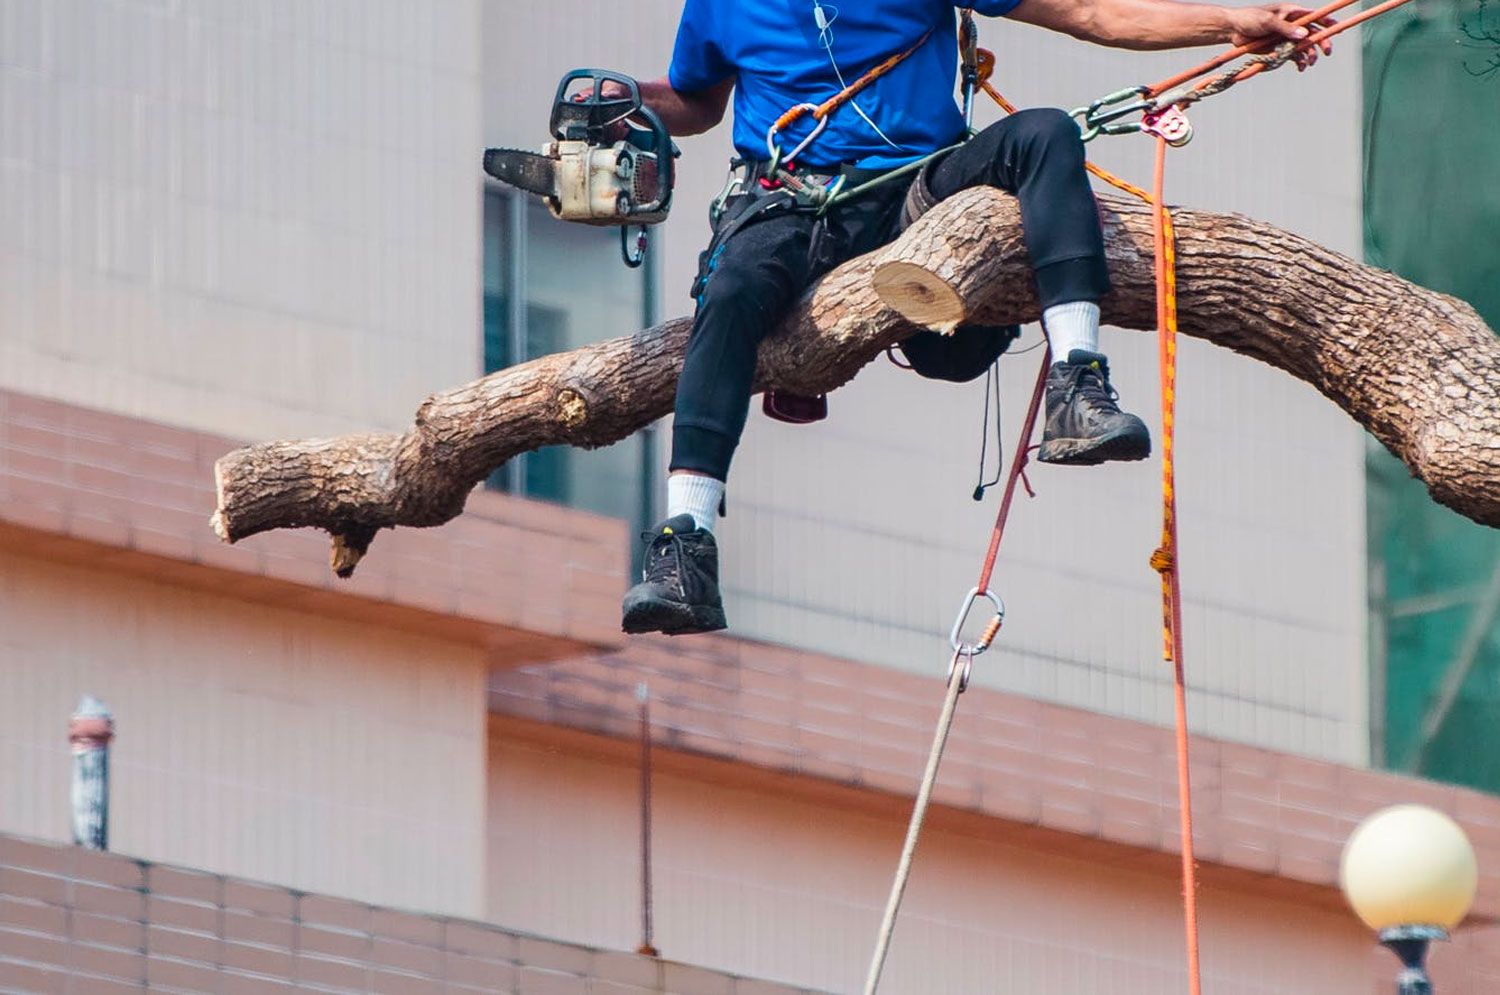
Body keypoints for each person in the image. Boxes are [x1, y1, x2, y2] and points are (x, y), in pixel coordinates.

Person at [620, 0, 1333, 636]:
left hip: (914, 191)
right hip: (791, 203)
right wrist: (625, 102)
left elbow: (1091, 10)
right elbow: (697, 100)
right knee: (732, 289)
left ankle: (1076, 380)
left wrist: (1230, 22)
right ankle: (687, 539)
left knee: (1045, 133)